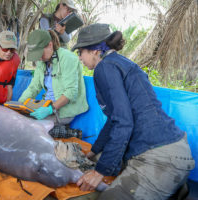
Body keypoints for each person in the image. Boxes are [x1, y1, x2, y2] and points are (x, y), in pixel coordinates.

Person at [72, 23, 195, 199]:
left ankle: (165, 182)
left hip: (160, 158)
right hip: (176, 148)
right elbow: (115, 120)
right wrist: (92, 152)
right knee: (99, 157)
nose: (80, 58)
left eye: (80, 52)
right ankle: (174, 187)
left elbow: (123, 122)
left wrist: (100, 172)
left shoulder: (104, 68)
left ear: (94, 50)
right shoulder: (124, 63)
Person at [18, 29, 88, 125]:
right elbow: (34, 87)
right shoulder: (42, 62)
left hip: (64, 110)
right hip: (47, 105)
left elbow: (71, 92)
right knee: (18, 118)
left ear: (50, 45)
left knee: (31, 125)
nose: (39, 58)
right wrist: (19, 105)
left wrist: (50, 109)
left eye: (40, 54)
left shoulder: (67, 58)